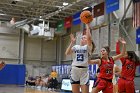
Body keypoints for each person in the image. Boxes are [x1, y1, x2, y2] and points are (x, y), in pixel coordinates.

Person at [65, 24, 93, 93]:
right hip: (75, 70)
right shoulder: (76, 47)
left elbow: (89, 38)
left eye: (85, 38)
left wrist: (87, 26)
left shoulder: (88, 47)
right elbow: (67, 53)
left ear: (87, 41)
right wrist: (72, 42)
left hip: (84, 70)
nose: (83, 38)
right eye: (82, 37)